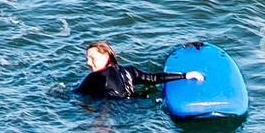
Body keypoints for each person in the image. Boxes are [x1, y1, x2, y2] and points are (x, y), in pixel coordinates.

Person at [74, 41, 204, 99]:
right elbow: (153, 79)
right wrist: (185, 75)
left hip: (116, 111)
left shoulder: (94, 78)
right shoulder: (129, 70)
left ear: (106, 56)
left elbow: (76, 94)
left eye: (92, 58)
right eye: (87, 59)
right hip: (137, 102)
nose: (88, 63)